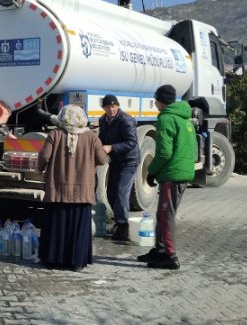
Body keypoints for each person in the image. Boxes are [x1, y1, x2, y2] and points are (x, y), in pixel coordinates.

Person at [38, 105, 107, 271]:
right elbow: (102, 159)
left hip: (57, 191)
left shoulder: (54, 134)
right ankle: (76, 263)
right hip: (82, 192)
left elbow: (44, 156)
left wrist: (40, 169)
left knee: (56, 226)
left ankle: (53, 260)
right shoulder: (91, 137)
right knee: (78, 229)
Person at [139, 84, 195, 270]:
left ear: (161, 100)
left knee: (166, 215)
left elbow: (164, 153)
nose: (154, 102)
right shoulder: (185, 118)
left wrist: (152, 172)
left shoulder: (167, 119)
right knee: (162, 213)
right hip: (181, 172)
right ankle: (160, 250)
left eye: (156, 99)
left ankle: (170, 256)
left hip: (172, 173)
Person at [98, 94, 140, 241]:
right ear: (103, 108)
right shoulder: (103, 120)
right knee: (111, 193)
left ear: (118, 106)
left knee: (122, 192)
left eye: (113, 106)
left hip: (129, 161)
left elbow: (131, 142)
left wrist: (111, 147)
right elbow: (102, 138)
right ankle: (118, 222)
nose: (111, 109)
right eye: (108, 107)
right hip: (115, 161)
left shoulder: (126, 120)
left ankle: (123, 227)